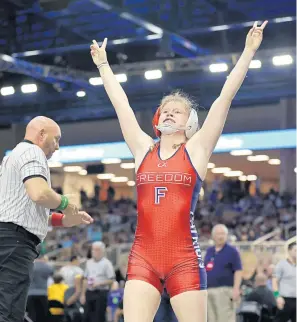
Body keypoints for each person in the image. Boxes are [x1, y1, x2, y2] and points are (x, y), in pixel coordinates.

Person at [90, 20, 268, 322]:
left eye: (178, 110)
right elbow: (122, 106)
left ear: (190, 123)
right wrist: (104, 66)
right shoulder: (142, 149)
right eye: (166, 109)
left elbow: (224, 98)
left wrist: (248, 52)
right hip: (142, 257)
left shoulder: (196, 150)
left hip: (184, 258)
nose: (169, 111)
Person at [0, 116, 93, 322]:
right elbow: (40, 194)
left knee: (7, 309)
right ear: (41, 135)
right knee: (9, 315)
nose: (57, 147)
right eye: (56, 139)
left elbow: (23, 212)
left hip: (7, 238)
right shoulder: (33, 151)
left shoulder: (12, 157)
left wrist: (64, 219)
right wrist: (66, 204)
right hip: (15, 244)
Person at [204, 224, 242, 322]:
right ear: (213, 236)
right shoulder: (209, 251)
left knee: (224, 319)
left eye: (223, 234)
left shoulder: (232, 251)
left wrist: (236, 289)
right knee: (211, 319)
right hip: (209, 290)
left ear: (226, 235)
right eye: (218, 234)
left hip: (225, 291)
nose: (220, 236)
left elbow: (238, 270)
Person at [80, 241, 115, 322]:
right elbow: (85, 279)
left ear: (102, 251)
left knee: (98, 317)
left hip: (101, 292)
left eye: (97, 250)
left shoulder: (107, 263)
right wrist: (82, 294)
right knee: (86, 316)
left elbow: (112, 280)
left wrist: (99, 283)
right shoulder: (89, 262)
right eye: (93, 249)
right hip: (89, 291)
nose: (94, 252)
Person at [272, 242, 296, 322]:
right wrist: (277, 296)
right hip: (285, 299)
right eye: (295, 250)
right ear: (289, 251)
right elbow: (274, 281)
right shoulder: (281, 265)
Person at [27, 254, 54, 322]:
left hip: (30, 293)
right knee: (43, 314)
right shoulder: (46, 266)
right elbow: (52, 273)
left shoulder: (29, 265)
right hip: (43, 293)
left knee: (32, 314)